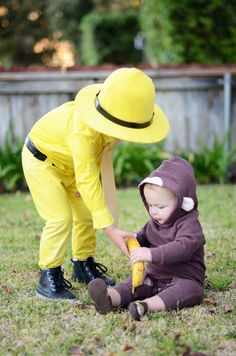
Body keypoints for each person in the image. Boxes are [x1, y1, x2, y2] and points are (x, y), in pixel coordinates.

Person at [21, 67, 170, 301]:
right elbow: (88, 179)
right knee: (60, 217)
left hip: (70, 164)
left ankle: (82, 264)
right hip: (41, 161)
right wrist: (110, 229)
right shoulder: (84, 133)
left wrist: (100, 209)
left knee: (86, 213)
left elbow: (94, 168)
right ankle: (48, 276)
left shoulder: (107, 126)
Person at [88, 156, 206, 320]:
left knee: (191, 290)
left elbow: (183, 247)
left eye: (160, 206)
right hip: (154, 277)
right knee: (133, 284)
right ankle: (109, 298)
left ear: (182, 202)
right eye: (150, 205)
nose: (154, 212)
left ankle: (145, 306)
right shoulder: (154, 223)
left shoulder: (189, 225)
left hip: (183, 277)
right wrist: (133, 239)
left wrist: (151, 254)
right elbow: (144, 237)